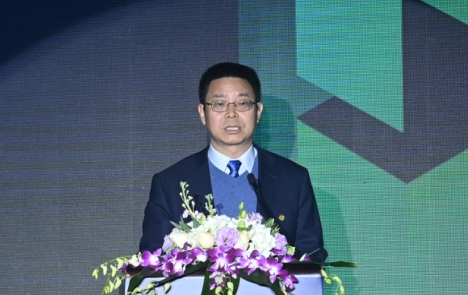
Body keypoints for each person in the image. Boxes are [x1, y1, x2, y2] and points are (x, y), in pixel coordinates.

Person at [139, 62, 327, 262]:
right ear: (202, 113)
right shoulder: (170, 183)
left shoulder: (294, 179)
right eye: (219, 104)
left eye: (242, 103)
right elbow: (151, 263)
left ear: (258, 111)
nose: (231, 113)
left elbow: (312, 257)